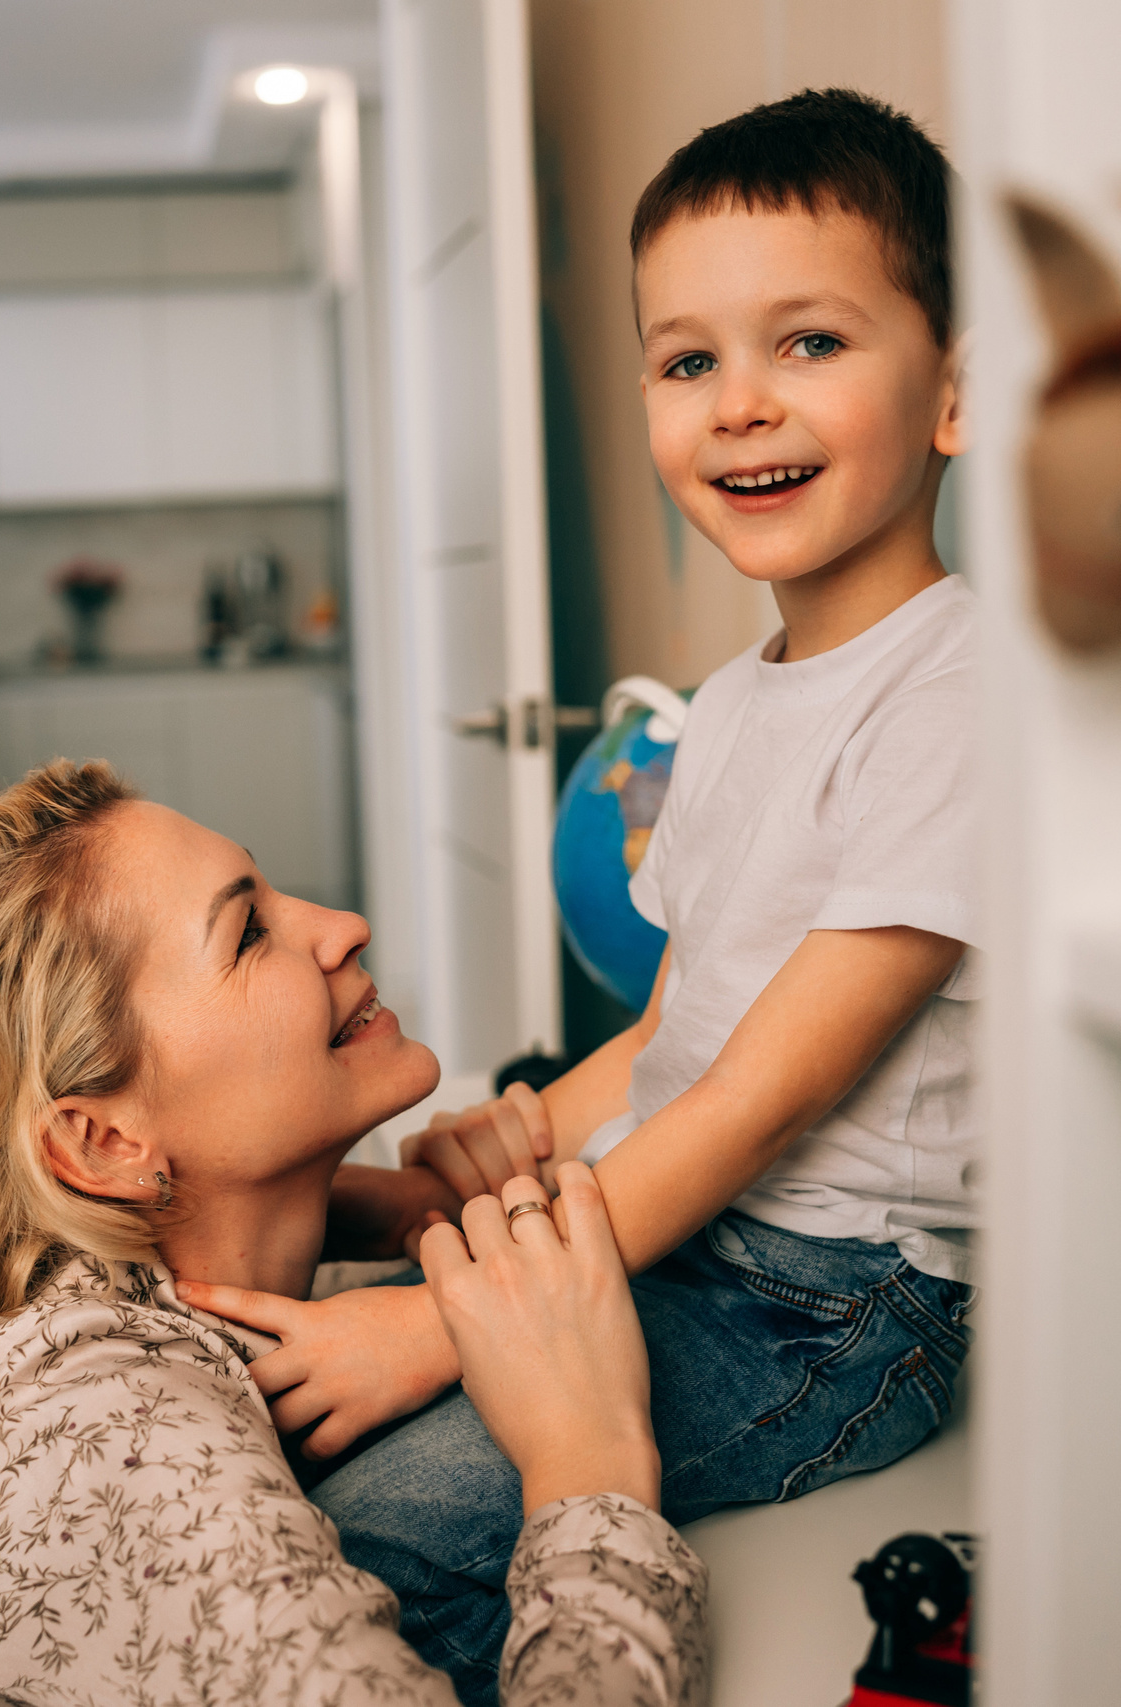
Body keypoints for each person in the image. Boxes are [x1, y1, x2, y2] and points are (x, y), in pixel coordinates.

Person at [185, 88, 978, 1703]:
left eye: (810, 343)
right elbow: (682, 1031)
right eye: (688, 362)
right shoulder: (734, 705)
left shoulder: (959, 692)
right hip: (683, 1227)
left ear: (955, 390)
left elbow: (762, 1095)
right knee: (274, 1457)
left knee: (369, 1536)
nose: (740, 405)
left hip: (833, 1304)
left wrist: (438, 1328)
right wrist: (525, 1142)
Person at [0, 762, 709, 1707]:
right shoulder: (102, 1432)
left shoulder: (105, 1322)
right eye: (247, 934)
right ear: (101, 1142)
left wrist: (394, 1207)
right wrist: (591, 1460)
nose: (344, 927)